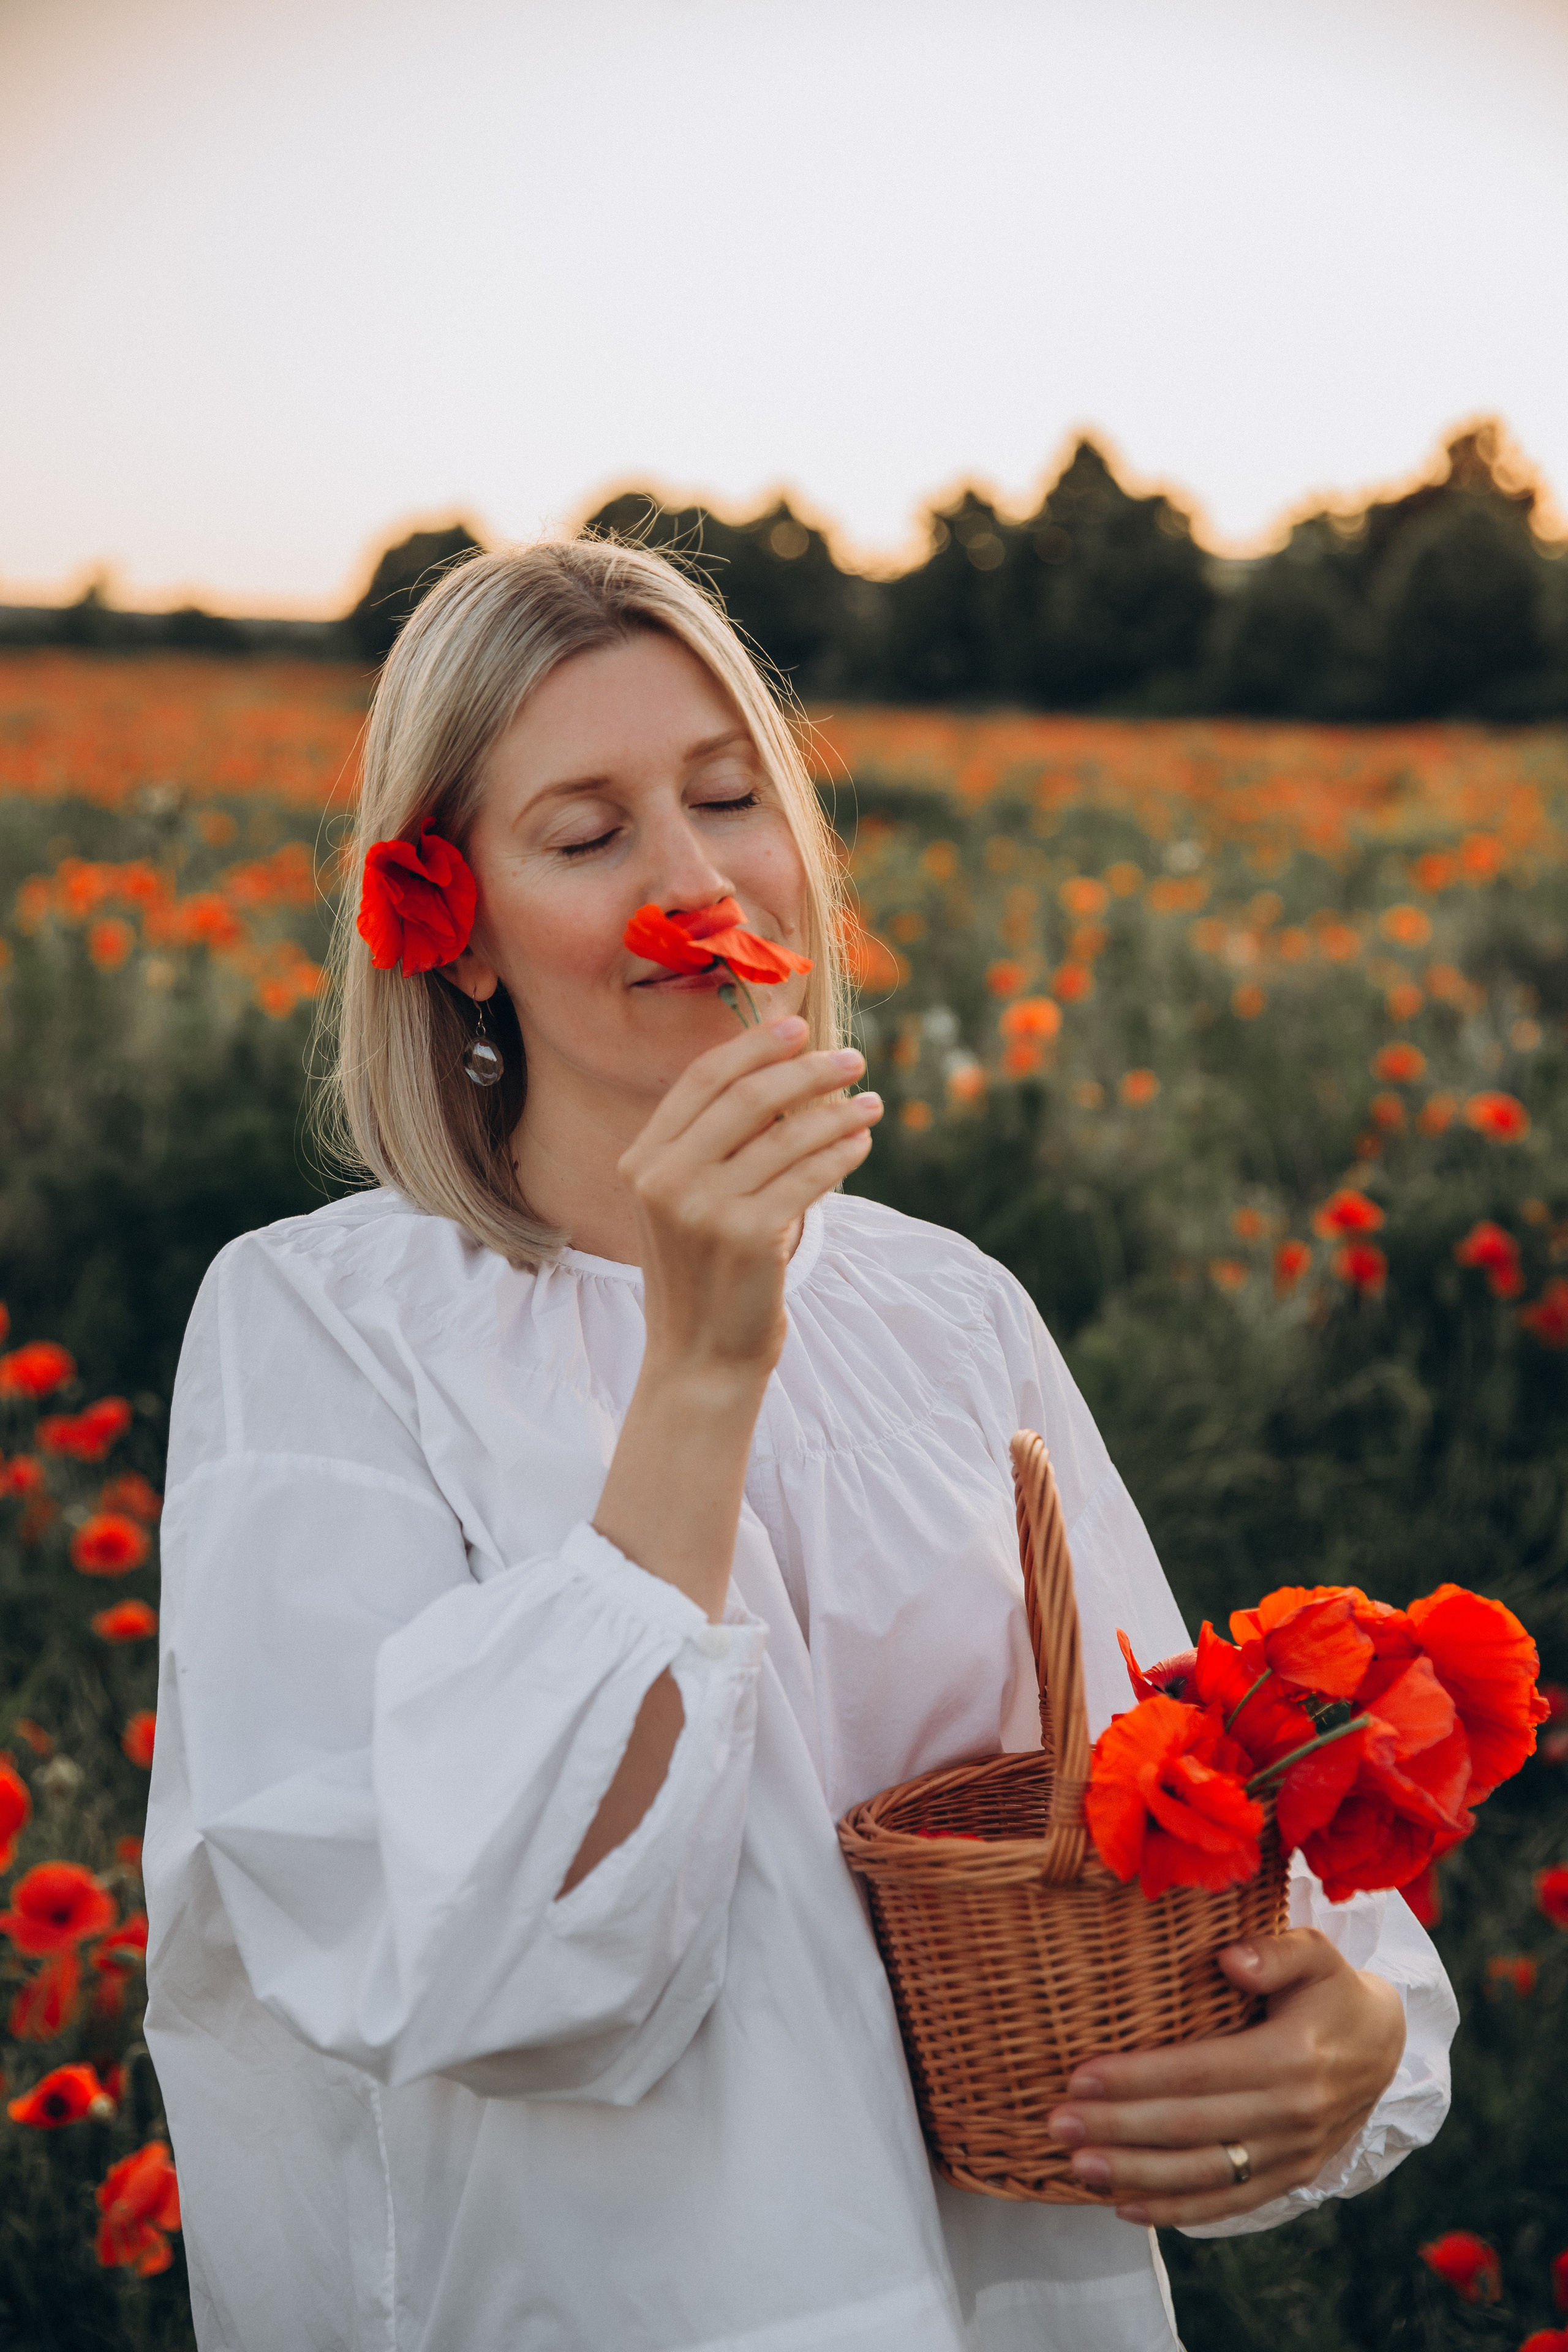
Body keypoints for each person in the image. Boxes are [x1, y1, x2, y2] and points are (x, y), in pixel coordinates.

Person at [144, 539, 1456, 2352]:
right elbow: (456, 1962)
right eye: (588, 836)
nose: (693, 883)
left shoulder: (949, 1308)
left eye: (727, 797)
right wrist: (701, 1360)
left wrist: (1359, 2024)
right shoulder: (324, 1327)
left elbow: (1164, 1779)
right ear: (451, 928)